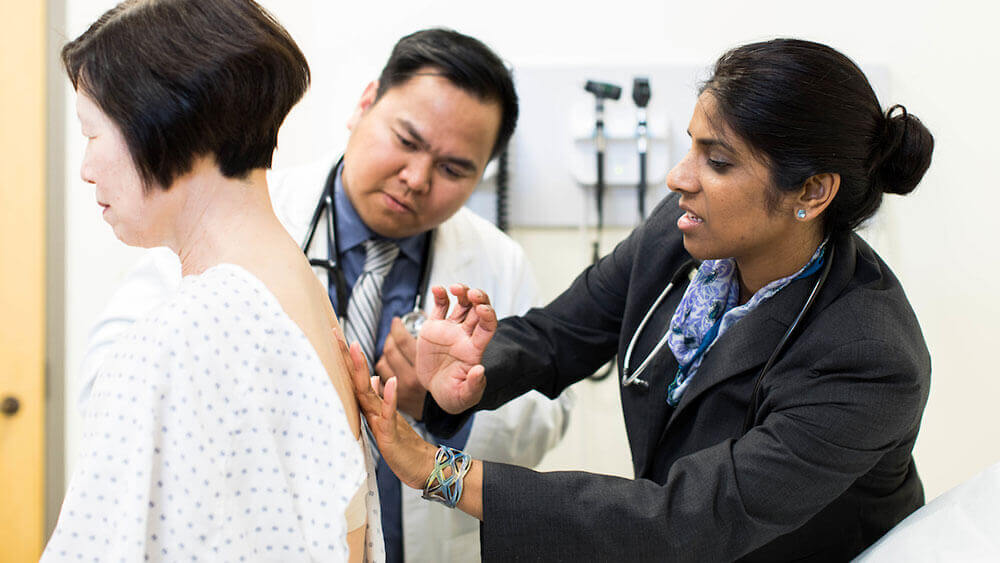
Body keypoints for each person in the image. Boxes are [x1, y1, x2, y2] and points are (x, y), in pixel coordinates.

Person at [354, 38, 935, 561]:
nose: (679, 177)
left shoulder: (868, 358)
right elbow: (560, 334)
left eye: (718, 160)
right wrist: (476, 371)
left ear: (811, 191)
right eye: (692, 147)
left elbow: (686, 520)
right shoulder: (681, 237)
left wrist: (440, 472)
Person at [77, 27, 572, 563]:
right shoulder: (243, 215)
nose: (416, 178)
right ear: (365, 104)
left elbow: (548, 422)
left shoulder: (498, 263)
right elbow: (112, 377)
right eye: (407, 141)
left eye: (454, 169)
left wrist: (440, 406)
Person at [45, 1, 382, 561]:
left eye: (92, 133)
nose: (85, 168)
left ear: (167, 125)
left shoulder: (172, 341)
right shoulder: (300, 296)